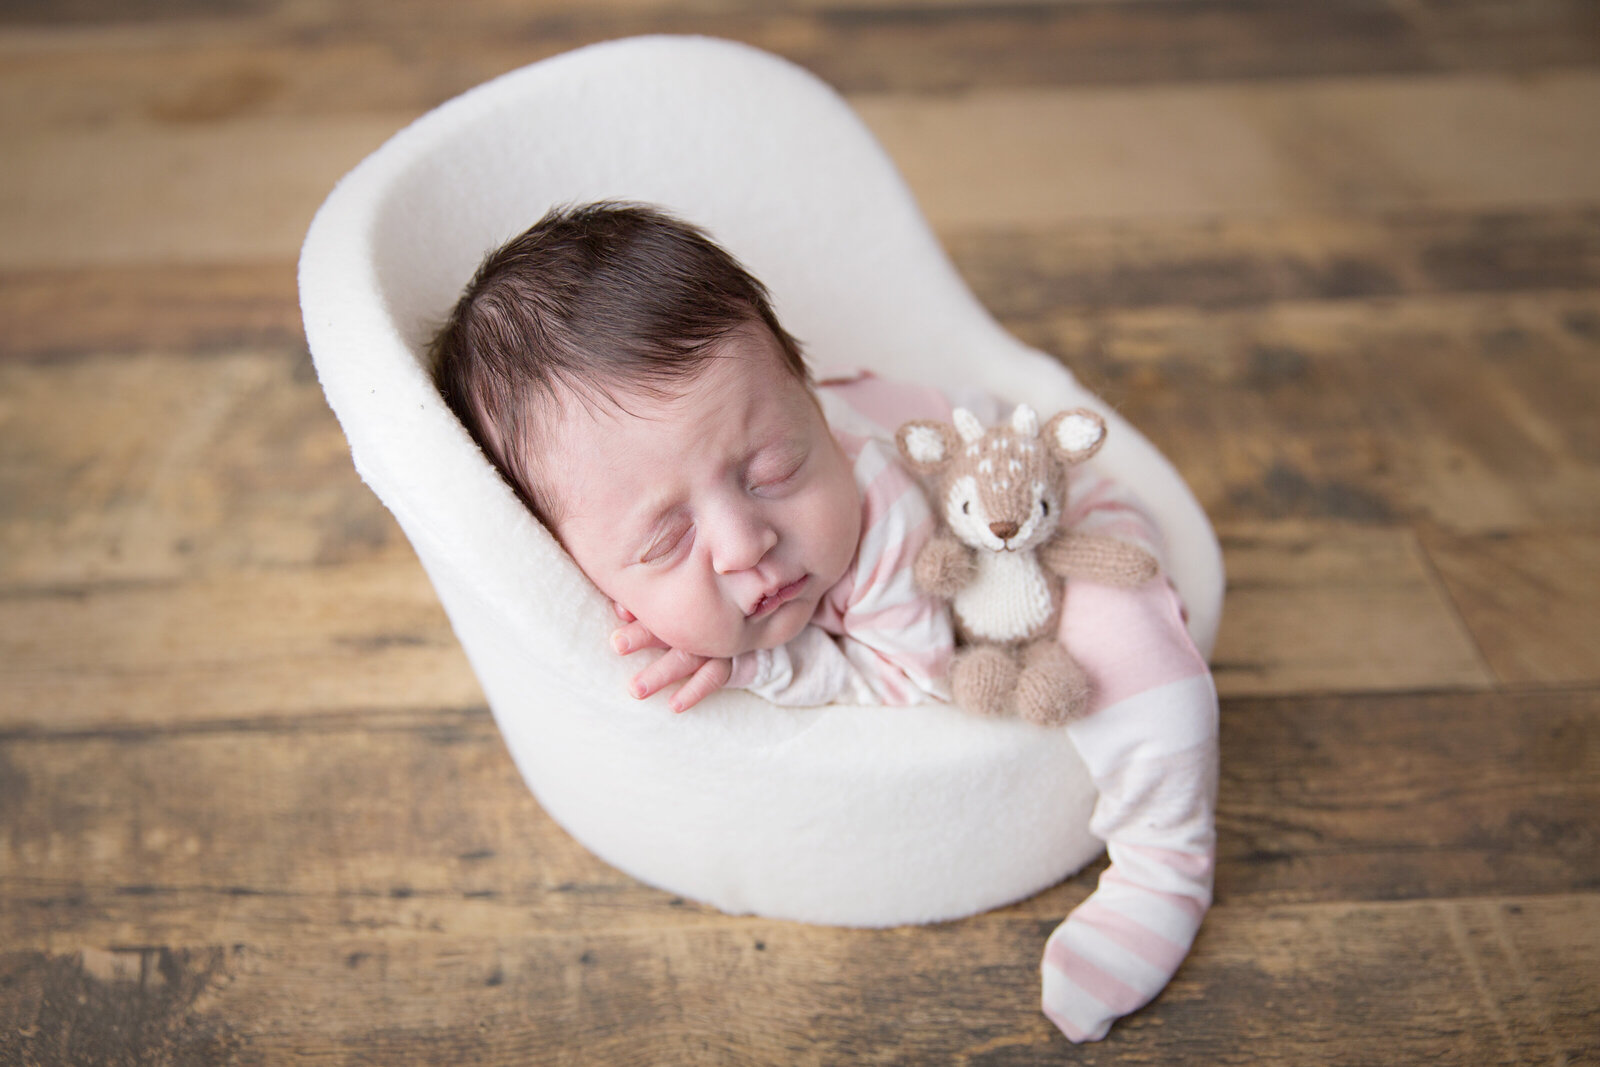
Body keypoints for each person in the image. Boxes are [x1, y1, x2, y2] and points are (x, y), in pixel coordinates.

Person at [430, 201, 954, 713]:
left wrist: (765, 665)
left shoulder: (886, 516)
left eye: (777, 470)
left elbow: (920, 681)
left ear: (811, 400)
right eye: (667, 541)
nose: (745, 546)